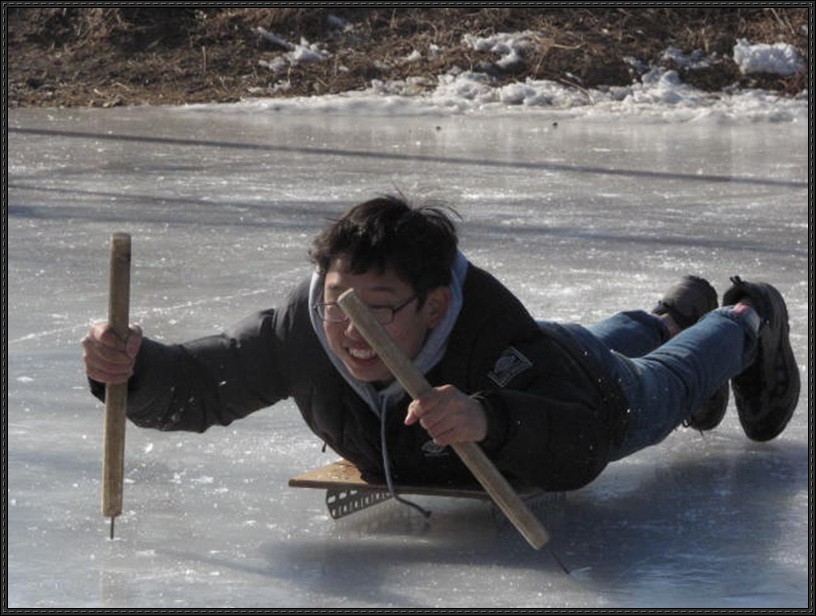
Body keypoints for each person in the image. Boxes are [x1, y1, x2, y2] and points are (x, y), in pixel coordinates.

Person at [82, 194, 800, 506]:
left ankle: (746, 316)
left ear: (434, 305)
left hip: (580, 386)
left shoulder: (491, 332)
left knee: (658, 386)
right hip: (556, 355)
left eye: (377, 311)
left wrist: (493, 420)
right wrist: (134, 371)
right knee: (597, 347)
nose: (350, 330)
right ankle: (671, 313)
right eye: (338, 304)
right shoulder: (304, 328)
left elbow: (582, 444)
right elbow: (201, 384)